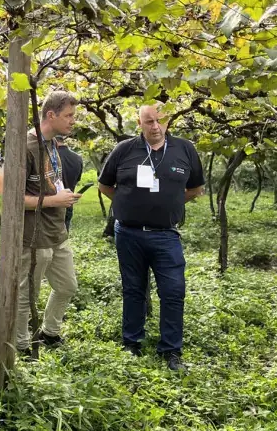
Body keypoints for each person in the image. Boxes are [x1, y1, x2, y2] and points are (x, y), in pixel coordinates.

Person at [98, 103, 204, 372]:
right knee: (133, 289)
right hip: (129, 234)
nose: (155, 126)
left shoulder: (184, 149)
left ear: (168, 121)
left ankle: (171, 350)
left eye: (160, 121)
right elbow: (104, 185)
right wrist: (127, 204)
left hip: (166, 235)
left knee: (173, 291)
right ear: (139, 122)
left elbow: (195, 188)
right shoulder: (124, 149)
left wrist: (169, 204)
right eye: (149, 122)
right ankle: (131, 343)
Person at [16, 91, 82, 357]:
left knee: (67, 286)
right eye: (68, 116)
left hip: (57, 232)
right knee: (26, 295)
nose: (73, 121)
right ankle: (20, 345)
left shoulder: (53, 143)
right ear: (50, 115)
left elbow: (50, 183)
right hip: (34, 236)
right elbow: (15, 200)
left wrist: (62, 197)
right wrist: (55, 200)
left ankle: (49, 332)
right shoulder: (27, 146)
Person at [56, 138, 83, 232]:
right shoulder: (77, 158)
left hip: (50, 204)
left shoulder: (49, 157)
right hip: (68, 203)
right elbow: (77, 179)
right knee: (64, 236)